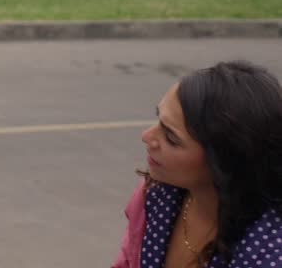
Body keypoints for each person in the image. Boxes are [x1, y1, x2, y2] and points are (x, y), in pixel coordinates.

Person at [112, 61, 282, 267]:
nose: (146, 136)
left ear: (223, 162)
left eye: (171, 138)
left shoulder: (268, 254)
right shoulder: (155, 194)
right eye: (159, 120)